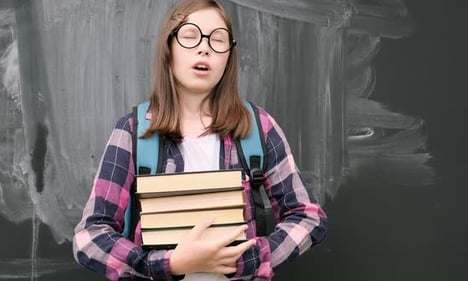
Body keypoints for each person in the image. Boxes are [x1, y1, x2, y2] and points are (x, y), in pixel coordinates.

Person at [72, 0, 328, 280]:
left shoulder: (258, 127)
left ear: (229, 57)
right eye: (190, 35)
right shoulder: (133, 132)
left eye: (218, 39)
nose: (204, 47)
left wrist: (249, 259)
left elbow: (308, 217)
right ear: (169, 49)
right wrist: (167, 264)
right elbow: (89, 237)